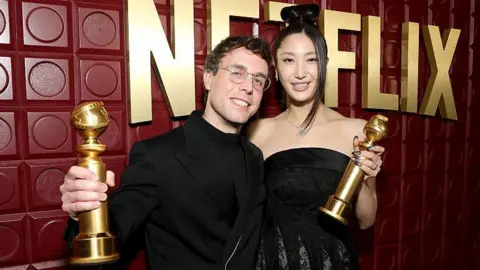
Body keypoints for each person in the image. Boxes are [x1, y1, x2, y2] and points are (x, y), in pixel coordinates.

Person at [60, 36, 272, 270]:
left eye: (259, 80)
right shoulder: (156, 156)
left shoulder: (254, 157)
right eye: (237, 73)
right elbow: (110, 238)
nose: (248, 87)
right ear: (209, 78)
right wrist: (82, 213)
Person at [248, 5, 385, 270]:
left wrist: (365, 178)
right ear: (275, 67)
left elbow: (367, 220)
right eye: (289, 60)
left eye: (311, 59)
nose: (300, 72)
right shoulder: (257, 132)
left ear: (324, 65)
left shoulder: (357, 130)